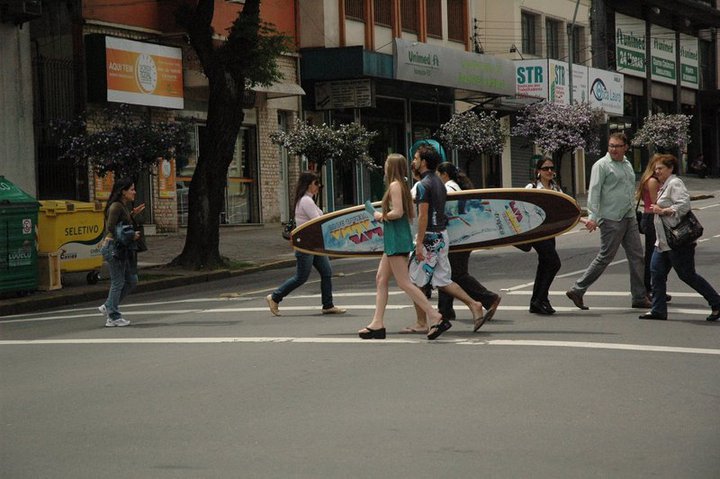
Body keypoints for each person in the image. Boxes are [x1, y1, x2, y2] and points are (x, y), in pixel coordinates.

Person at [358, 154, 444, 339]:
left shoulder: (395, 186)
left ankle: (434, 315)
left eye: (387, 163)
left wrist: (380, 216)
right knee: (381, 278)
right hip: (395, 238)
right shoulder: (402, 186)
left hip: (396, 239)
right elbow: (410, 212)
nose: (384, 166)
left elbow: (398, 212)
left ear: (392, 166)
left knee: (404, 282)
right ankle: (377, 323)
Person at [565, 132, 650, 310]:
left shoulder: (627, 164)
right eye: (611, 146)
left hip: (628, 216)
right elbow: (594, 192)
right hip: (611, 218)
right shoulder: (602, 165)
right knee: (605, 257)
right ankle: (578, 289)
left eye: (617, 146)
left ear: (625, 147)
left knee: (637, 257)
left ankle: (639, 297)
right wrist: (593, 217)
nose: (613, 149)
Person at [409, 144, 486, 339]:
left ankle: (422, 322)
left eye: (416, 158)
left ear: (424, 162)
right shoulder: (438, 182)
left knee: (414, 280)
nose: (414, 162)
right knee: (442, 280)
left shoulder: (423, 185)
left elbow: (423, 215)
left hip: (430, 237)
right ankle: (474, 304)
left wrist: (419, 242)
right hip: (441, 235)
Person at [639, 154, 720, 321]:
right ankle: (658, 310)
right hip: (663, 241)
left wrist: (664, 211)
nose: (657, 171)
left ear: (670, 169)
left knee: (687, 275)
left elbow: (684, 205)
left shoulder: (675, 183)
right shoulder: (664, 185)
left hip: (678, 240)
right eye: (655, 168)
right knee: (656, 272)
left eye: (660, 168)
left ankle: (716, 302)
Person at [266, 172, 346, 316]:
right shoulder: (306, 201)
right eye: (316, 184)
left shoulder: (308, 200)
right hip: (307, 245)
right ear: (309, 184)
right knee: (301, 277)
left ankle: (328, 305)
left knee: (326, 272)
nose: (318, 187)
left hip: (314, 245)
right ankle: (275, 297)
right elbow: (318, 221)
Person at [435, 161, 502, 322]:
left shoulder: (448, 189)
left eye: (438, 175)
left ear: (444, 175)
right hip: (462, 238)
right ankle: (445, 311)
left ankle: (489, 298)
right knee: (447, 273)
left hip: (457, 239)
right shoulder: (456, 188)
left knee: (455, 274)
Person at [99, 178, 145, 327]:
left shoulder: (123, 206)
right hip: (113, 247)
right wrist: (131, 235)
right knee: (118, 281)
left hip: (120, 248)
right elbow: (111, 227)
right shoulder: (115, 206)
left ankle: (108, 305)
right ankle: (113, 316)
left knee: (132, 280)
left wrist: (132, 214)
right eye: (131, 189)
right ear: (123, 191)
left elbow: (122, 223)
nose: (134, 192)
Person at [523, 157, 562, 315]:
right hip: (537, 232)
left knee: (544, 265)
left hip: (551, 232)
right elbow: (523, 209)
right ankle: (540, 299)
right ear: (538, 171)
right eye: (546, 168)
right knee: (554, 263)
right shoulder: (531, 187)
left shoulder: (556, 189)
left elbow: (565, 208)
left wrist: (583, 219)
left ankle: (538, 301)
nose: (549, 171)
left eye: (552, 168)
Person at [635, 155, 666, 299]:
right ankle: (649, 288)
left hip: (652, 218)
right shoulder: (652, 181)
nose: (660, 170)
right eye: (659, 167)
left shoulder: (651, 179)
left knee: (660, 254)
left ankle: (657, 287)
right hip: (651, 218)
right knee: (653, 255)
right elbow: (656, 202)